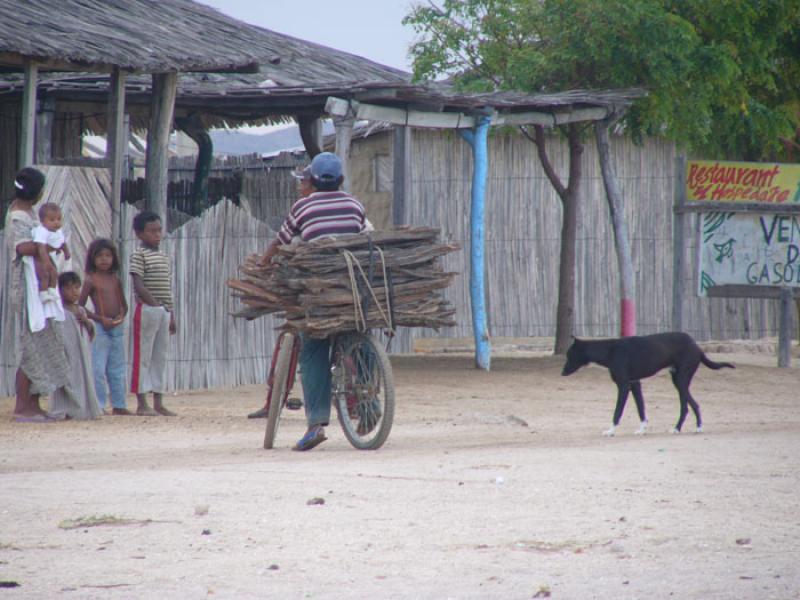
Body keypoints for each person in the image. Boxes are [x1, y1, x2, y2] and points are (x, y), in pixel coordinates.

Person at [261, 152, 367, 451]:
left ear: (313, 181)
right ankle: (371, 405)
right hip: (354, 290)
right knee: (361, 334)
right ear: (341, 180)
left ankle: (316, 424)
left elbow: (281, 241)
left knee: (313, 351)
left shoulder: (303, 207)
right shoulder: (355, 204)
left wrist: (264, 262)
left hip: (320, 293)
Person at [4, 167, 75, 422]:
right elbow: (21, 247)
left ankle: (34, 403)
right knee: (30, 349)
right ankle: (23, 406)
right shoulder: (17, 217)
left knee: (40, 346)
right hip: (26, 290)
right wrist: (47, 244)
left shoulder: (28, 213)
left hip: (38, 289)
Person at [129, 211, 177, 417]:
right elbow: (138, 284)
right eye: (152, 231)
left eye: (159, 230)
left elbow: (167, 288)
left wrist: (170, 314)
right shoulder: (138, 255)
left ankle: (158, 401)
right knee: (143, 356)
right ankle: (142, 403)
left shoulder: (164, 257)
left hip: (163, 311)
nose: (157, 235)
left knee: (160, 356)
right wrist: (155, 304)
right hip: (147, 310)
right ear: (140, 234)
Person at [80, 238, 131, 415]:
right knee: (98, 369)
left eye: (108, 255)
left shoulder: (115, 279)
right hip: (101, 329)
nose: (104, 259)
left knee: (117, 369)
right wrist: (100, 319)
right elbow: (80, 307)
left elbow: (124, 305)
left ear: (114, 258)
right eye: (100, 256)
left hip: (116, 328)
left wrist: (120, 317)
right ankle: (99, 405)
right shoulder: (90, 280)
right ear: (92, 259)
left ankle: (119, 405)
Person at [50, 272, 102, 420]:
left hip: (81, 355)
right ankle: (66, 410)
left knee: (83, 380)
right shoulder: (59, 312)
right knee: (67, 381)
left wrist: (85, 321)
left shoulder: (81, 310)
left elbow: (91, 332)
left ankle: (84, 409)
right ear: (59, 290)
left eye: (77, 287)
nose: (74, 291)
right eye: (68, 288)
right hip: (67, 355)